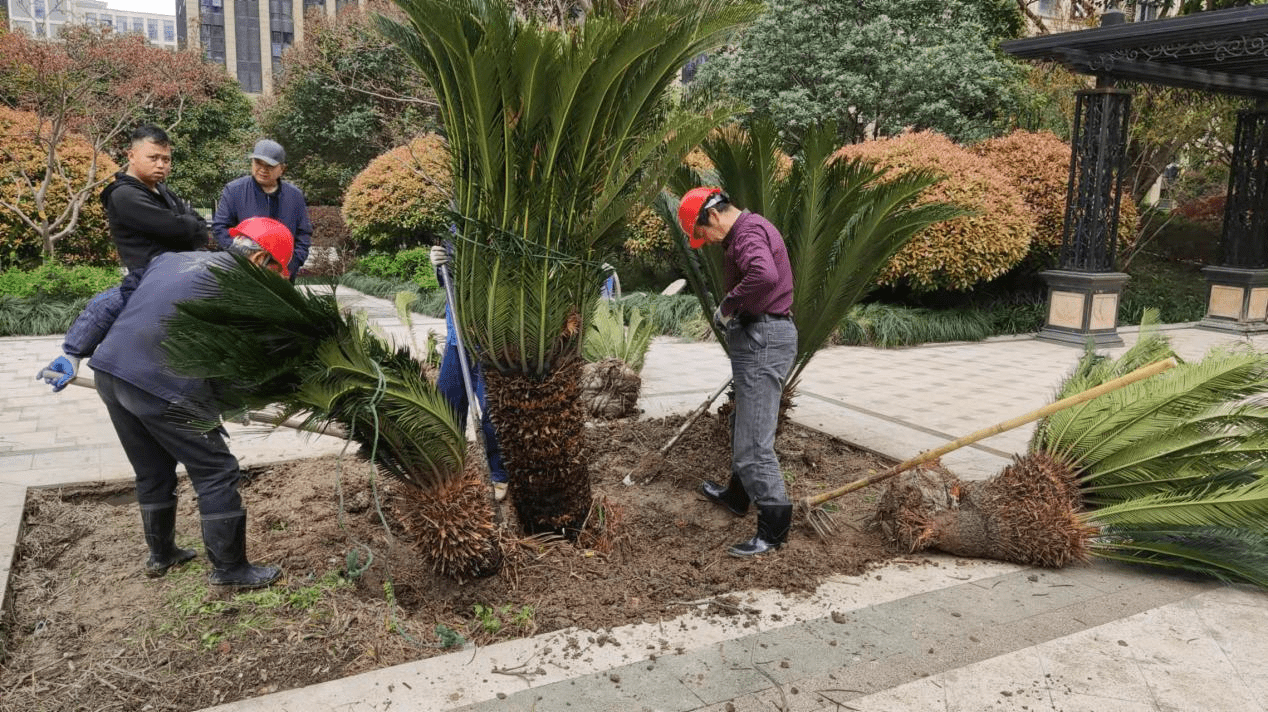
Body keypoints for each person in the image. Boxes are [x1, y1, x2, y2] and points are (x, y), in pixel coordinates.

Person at [38, 217, 295, 588]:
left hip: (110, 373)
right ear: (259, 259)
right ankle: (230, 570)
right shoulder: (244, 289)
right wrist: (233, 399)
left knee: (153, 469)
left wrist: (72, 352)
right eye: (277, 270)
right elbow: (239, 358)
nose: (275, 280)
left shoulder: (171, 260)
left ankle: (162, 554)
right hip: (161, 383)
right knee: (216, 470)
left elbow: (113, 299)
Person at [678, 187, 797, 557]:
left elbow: (763, 274)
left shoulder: (745, 233)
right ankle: (736, 495)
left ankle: (773, 530)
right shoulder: (750, 229)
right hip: (761, 335)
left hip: (763, 337)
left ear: (712, 216)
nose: (708, 243)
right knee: (744, 423)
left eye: (703, 235)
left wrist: (728, 305)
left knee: (754, 444)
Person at [429, 243, 511, 501]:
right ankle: (449, 471)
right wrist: (438, 266)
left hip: (490, 341)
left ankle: (499, 473)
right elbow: (449, 279)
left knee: (492, 410)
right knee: (447, 405)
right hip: (458, 340)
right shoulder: (455, 224)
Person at [101, 124, 209, 290]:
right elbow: (177, 228)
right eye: (153, 158)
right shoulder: (124, 195)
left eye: (166, 159)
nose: (161, 165)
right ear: (131, 156)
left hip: (181, 277)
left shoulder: (163, 191)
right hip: (149, 284)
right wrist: (188, 225)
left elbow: (200, 230)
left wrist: (188, 226)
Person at [212, 139, 312, 282]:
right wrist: (245, 258)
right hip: (243, 273)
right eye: (258, 163)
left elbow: (304, 235)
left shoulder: (295, 196)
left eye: (270, 165)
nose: (263, 169)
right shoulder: (234, 191)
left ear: (282, 169)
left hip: (282, 278)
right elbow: (220, 228)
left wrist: (289, 268)